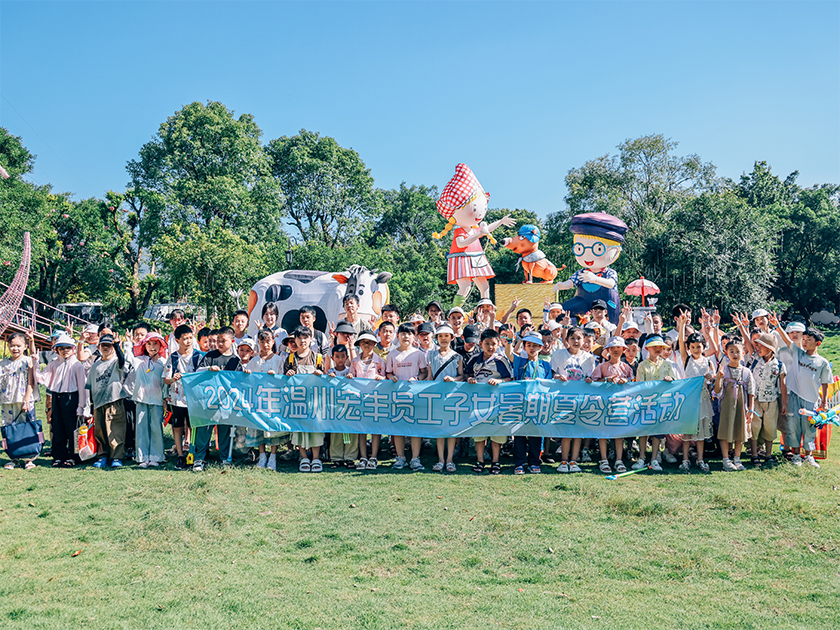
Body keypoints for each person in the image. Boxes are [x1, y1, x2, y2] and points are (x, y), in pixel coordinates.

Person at [770, 313, 831, 468]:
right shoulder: (797, 353)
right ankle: (796, 455)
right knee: (793, 426)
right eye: (803, 340)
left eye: (808, 340)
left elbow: (825, 383)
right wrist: (777, 325)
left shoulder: (822, 363)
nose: (804, 342)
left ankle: (808, 456)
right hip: (794, 397)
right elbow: (787, 340)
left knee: (809, 427)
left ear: (818, 343)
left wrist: (823, 402)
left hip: (810, 399)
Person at [193, 327, 242, 471]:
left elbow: (238, 380)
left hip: (226, 402)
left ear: (232, 341)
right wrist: (208, 369)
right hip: (208, 401)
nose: (219, 343)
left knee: (225, 430)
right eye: (217, 340)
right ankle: (199, 458)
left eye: (223, 341)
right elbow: (197, 372)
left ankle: (225, 458)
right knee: (204, 429)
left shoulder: (235, 360)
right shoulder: (209, 356)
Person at [35, 333, 86, 467]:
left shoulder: (77, 365)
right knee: (57, 428)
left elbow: (82, 387)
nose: (65, 351)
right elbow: (42, 378)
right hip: (57, 397)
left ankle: (73, 456)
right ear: (56, 350)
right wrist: (35, 363)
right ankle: (58, 456)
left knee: (72, 429)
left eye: (67, 348)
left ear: (73, 349)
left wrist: (81, 406)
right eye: (61, 348)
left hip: (71, 397)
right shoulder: (53, 364)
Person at [465, 329, 512, 475]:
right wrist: (470, 379)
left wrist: (499, 380)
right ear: (480, 344)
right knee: (479, 432)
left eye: (493, 344)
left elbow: (510, 378)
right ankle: (480, 461)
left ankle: (495, 462)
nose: (490, 347)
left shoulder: (500, 360)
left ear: (498, 344)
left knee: (496, 432)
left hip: (496, 403)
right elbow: (467, 374)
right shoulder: (474, 359)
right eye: (487, 344)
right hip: (478, 403)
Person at [551, 327, 597, 473]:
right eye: (573, 338)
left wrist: (590, 380)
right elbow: (551, 374)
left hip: (581, 399)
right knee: (566, 432)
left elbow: (591, 377)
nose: (576, 341)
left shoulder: (589, 358)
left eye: (579, 338)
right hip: (563, 398)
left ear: (584, 340)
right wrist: (558, 377)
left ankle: (573, 461)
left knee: (577, 432)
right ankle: (563, 461)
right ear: (567, 340)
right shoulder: (558, 355)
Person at [385, 323, 429, 471]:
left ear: (413, 336)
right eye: (403, 333)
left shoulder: (419, 354)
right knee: (398, 428)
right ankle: (400, 457)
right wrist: (391, 377)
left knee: (415, 427)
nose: (406, 336)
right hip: (397, 396)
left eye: (409, 334)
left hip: (415, 396)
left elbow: (424, 372)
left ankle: (415, 459)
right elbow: (388, 373)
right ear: (398, 336)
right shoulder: (392, 354)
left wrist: (417, 378)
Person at [632, 335, 677, 472]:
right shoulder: (642, 365)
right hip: (646, 403)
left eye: (660, 347)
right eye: (654, 347)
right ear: (647, 348)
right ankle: (641, 458)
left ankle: (654, 459)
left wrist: (670, 379)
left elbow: (674, 380)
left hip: (661, 403)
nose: (658, 349)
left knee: (658, 432)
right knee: (644, 431)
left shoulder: (666, 364)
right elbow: (640, 385)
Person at [590, 336, 634, 474]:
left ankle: (618, 460)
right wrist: (606, 380)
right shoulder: (602, 366)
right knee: (603, 432)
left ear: (623, 350)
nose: (616, 350)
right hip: (604, 404)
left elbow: (634, 383)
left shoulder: (627, 368)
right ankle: (603, 459)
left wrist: (626, 381)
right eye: (613, 348)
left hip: (621, 404)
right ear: (608, 350)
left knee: (618, 432)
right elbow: (593, 382)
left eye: (618, 348)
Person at [677, 315, 716, 473]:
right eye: (692, 347)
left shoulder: (708, 361)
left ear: (703, 346)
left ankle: (700, 459)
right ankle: (685, 459)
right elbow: (680, 342)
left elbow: (712, 377)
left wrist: (711, 376)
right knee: (687, 432)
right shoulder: (686, 359)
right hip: (689, 400)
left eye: (698, 347)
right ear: (689, 348)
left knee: (700, 433)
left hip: (703, 399)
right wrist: (682, 325)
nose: (695, 350)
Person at [243, 329, 286, 471]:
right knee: (258, 427)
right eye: (262, 342)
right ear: (258, 343)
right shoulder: (254, 361)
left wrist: (276, 376)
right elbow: (248, 380)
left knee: (272, 427)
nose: (265, 345)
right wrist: (248, 373)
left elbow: (283, 378)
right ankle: (262, 455)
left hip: (274, 399)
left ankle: (273, 456)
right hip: (258, 399)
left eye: (268, 341)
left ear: (273, 342)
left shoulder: (279, 360)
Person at [285, 326, 326, 472]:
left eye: (306, 337)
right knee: (299, 430)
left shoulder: (318, 357)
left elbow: (327, 379)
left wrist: (320, 374)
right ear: (295, 340)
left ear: (311, 339)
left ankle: (315, 458)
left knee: (316, 429)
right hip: (297, 401)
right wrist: (288, 374)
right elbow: (284, 382)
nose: (303, 341)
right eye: (300, 338)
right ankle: (303, 458)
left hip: (315, 401)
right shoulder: (290, 358)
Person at [84, 333, 128, 469]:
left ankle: (116, 456)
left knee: (116, 429)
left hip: (114, 400)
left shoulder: (115, 362)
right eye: (104, 345)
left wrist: (117, 346)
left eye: (109, 346)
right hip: (98, 403)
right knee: (100, 430)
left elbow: (122, 361)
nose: (106, 348)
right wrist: (89, 406)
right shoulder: (95, 365)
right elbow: (90, 386)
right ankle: (102, 456)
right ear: (99, 346)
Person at [511, 333, 552, 475]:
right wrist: (512, 339)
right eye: (529, 345)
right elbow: (508, 353)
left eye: (535, 345)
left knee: (536, 434)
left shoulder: (545, 365)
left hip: (538, 405)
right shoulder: (520, 362)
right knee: (519, 434)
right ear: (524, 347)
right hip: (520, 405)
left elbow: (548, 385)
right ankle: (519, 463)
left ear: (541, 348)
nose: (532, 348)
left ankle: (534, 462)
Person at [426, 324, 464, 473]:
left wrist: (453, 379)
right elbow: (429, 376)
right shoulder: (430, 355)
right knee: (439, 429)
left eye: (446, 336)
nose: (443, 339)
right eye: (440, 336)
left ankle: (450, 460)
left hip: (452, 398)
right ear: (437, 338)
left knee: (451, 430)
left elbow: (462, 376)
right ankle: (440, 459)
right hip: (436, 397)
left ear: (451, 338)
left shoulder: (457, 356)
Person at [126, 332, 167, 468]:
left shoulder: (163, 362)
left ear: (160, 345)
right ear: (144, 346)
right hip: (141, 399)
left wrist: (165, 399)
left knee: (156, 427)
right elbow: (128, 358)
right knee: (141, 428)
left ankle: (156, 456)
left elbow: (166, 382)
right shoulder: (140, 360)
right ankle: (142, 457)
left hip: (157, 400)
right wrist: (128, 343)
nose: (152, 347)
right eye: (149, 344)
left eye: (155, 343)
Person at [163, 324, 200, 470]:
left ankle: (192, 452)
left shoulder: (198, 356)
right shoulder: (173, 358)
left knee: (194, 426)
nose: (188, 341)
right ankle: (180, 455)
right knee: (177, 427)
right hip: (177, 399)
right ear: (177, 340)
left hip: (194, 399)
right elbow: (165, 379)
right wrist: (172, 378)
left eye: (191, 338)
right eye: (185, 339)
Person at [347, 331, 387, 470]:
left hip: (375, 399)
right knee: (362, 430)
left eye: (369, 342)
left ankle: (373, 457)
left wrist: (381, 378)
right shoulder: (355, 361)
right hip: (360, 400)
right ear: (359, 345)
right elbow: (351, 375)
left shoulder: (380, 361)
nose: (366, 345)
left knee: (375, 429)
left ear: (374, 344)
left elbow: (385, 378)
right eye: (363, 342)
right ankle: (363, 457)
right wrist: (351, 375)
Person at [748, 333, 788, 466]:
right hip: (756, 399)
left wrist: (784, 403)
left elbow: (782, 385)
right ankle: (754, 454)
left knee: (770, 427)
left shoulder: (779, 365)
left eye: (761, 346)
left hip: (771, 401)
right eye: (757, 345)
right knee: (755, 427)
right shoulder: (754, 361)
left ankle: (769, 454)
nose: (758, 348)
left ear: (770, 349)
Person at [1, 332, 38, 470]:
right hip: (7, 401)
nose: (15, 349)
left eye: (18, 346)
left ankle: (29, 458)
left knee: (27, 427)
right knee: (9, 429)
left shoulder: (28, 361)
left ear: (25, 346)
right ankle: (13, 457)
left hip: (24, 399)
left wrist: (26, 400)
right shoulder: (3, 363)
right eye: (12, 346)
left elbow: (31, 382)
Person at [327, 345, 358, 468]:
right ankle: (336, 457)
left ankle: (350, 457)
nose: (340, 359)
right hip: (335, 407)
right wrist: (329, 379)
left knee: (351, 432)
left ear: (347, 357)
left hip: (349, 406)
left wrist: (351, 378)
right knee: (336, 433)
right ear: (333, 358)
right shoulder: (330, 372)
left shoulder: (350, 371)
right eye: (337, 356)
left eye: (343, 356)